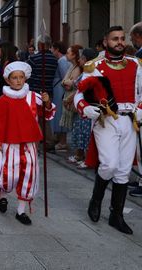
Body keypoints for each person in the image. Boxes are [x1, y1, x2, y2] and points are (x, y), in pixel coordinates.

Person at [74, 26, 142, 235]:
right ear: (106, 42)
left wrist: (140, 109)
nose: (119, 42)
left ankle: (116, 215)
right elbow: (79, 94)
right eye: (115, 39)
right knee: (109, 164)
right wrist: (85, 107)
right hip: (106, 122)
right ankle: (96, 200)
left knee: (123, 170)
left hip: (130, 121)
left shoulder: (136, 65)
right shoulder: (94, 66)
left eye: (122, 38)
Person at [0, 61, 55, 225]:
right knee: (9, 174)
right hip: (9, 143)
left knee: (29, 174)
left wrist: (47, 102)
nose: (18, 80)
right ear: (8, 80)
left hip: (29, 143)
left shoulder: (33, 96)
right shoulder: (3, 99)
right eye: (14, 78)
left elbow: (47, 113)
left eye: (21, 77)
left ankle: (21, 210)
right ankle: (3, 193)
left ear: (25, 78)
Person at [50, 41, 70, 151]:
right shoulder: (62, 60)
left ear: (57, 49)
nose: (51, 51)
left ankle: (62, 141)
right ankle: (59, 139)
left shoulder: (62, 60)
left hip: (60, 89)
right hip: (59, 88)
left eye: (52, 49)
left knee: (59, 115)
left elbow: (65, 77)